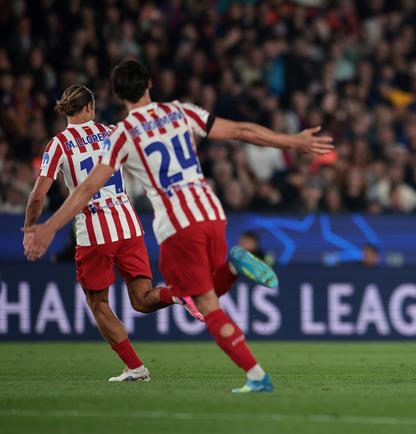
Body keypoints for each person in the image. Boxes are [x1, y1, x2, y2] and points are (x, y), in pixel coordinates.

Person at [24, 60, 334, 392]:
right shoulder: (177, 112)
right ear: (150, 84)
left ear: (118, 95)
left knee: (170, 301)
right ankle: (252, 367)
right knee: (168, 297)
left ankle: (229, 356)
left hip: (165, 225)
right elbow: (243, 131)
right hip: (207, 210)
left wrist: (48, 227)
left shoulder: (122, 134)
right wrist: (293, 142)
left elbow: (84, 189)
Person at [23, 84, 205, 382]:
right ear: (90, 108)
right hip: (128, 225)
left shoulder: (58, 144)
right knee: (142, 299)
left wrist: (31, 228)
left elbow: (37, 196)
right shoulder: (111, 132)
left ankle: (135, 368)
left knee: (98, 303)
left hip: (94, 232)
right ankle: (177, 293)